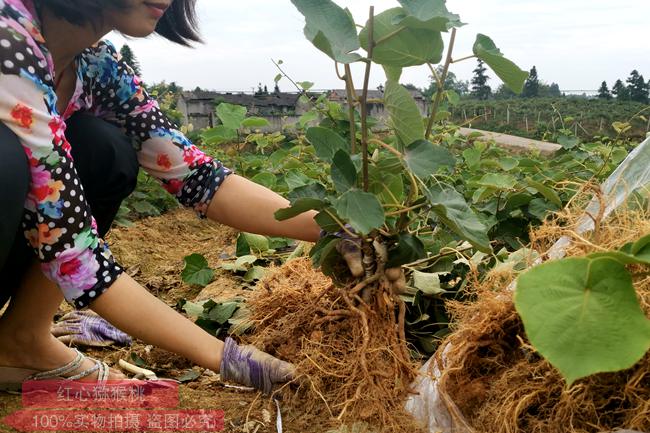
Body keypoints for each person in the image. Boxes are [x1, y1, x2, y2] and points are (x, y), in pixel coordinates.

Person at [0, 0, 354, 393]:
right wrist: (227, 359)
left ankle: (22, 340)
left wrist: (335, 229)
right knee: (4, 160)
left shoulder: (94, 65)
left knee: (104, 150)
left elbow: (197, 177)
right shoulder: (7, 40)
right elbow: (74, 253)